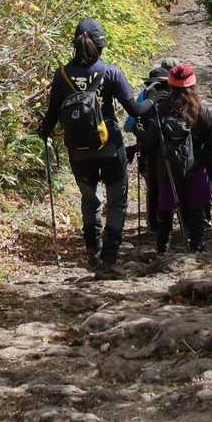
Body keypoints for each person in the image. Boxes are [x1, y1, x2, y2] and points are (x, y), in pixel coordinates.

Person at [37, 19, 152, 277]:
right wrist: (153, 100)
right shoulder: (110, 72)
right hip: (109, 146)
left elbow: (50, 118)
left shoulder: (61, 75)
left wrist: (43, 131)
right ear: (100, 45)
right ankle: (109, 257)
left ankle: (92, 249)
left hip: (78, 150)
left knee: (90, 199)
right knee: (117, 202)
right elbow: (135, 109)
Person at [148, 62, 212, 254]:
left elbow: (151, 140)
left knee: (166, 210)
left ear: (170, 84)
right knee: (197, 208)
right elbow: (211, 142)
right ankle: (196, 247)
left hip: (168, 168)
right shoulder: (201, 111)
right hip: (196, 167)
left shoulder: (160, 109)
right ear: (193, 84)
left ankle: (162, 249)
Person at [126, 59, 179, 239]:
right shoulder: (174, 97)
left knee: (155, 187)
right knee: (166, 185)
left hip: (151, 150)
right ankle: (163, 223)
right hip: (164, 151)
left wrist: (138, 129)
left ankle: (155, 224)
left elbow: (129, 125)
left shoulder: (146, 97)